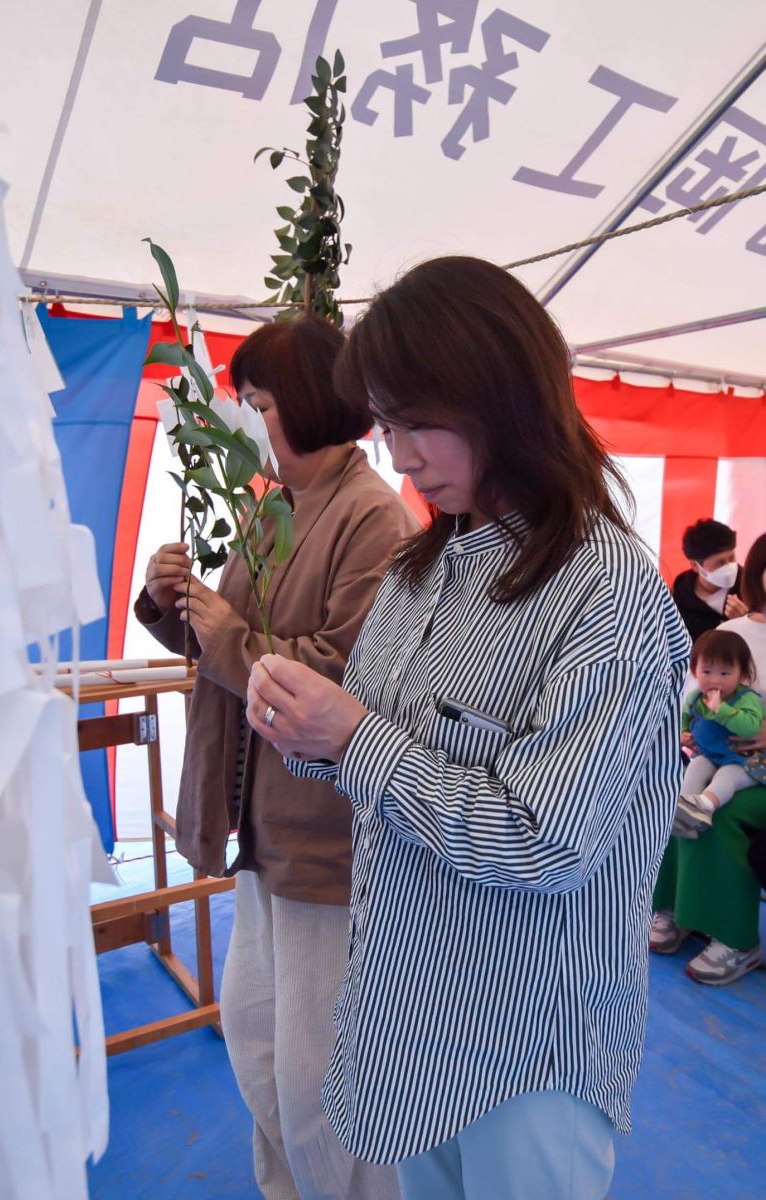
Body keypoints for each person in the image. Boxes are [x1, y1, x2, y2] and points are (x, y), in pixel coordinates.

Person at [246, 256, 691, 1200]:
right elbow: (374, 764)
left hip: (528, 1044)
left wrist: (355, 737)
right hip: (407, 1016)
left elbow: (543, 839)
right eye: (388, 423)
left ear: (505, 398)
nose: (400, 455)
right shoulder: (416, 574)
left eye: (419, 422)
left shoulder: (602, 591)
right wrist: (309, 736)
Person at [135, 315, 416, 1200]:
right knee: (258, 1044)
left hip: (320, 837)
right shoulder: (272, 500)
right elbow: (222, 638)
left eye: (256, 401)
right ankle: (286, 1189)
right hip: (255, 822)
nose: (247, 418)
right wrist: (164, 600)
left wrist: (228, 639)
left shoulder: (373, 516)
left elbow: (345, 676)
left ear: (299, 403)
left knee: (319, 1075)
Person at [652, 532, 766, 984]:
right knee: (677, 796)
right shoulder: (733, 632)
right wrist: (693, 731)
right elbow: (692, 691)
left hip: (756, 774)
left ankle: (737, 939)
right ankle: (678, 908)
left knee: (725, 808)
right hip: (718, 755)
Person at [676, 629, 764, 833]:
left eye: (724, 673)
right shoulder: (696, 697)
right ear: (694, 671)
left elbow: (751, 728)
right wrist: (684, 732)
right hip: (708, 754)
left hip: (742, 759)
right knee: (695, 767)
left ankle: (705, 805)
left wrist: (721, 710)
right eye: (707, 672)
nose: (715, 680)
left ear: (741, 674)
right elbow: (684, 717)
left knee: (727, 776)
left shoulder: (747, 698)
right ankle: (683, 808)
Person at [671, 518, 747, 642]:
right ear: (695, 566)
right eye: (720, 562)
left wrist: (747, 621)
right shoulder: (678, 601)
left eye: (732, 557)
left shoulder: (752, 585)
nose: (730, 566)